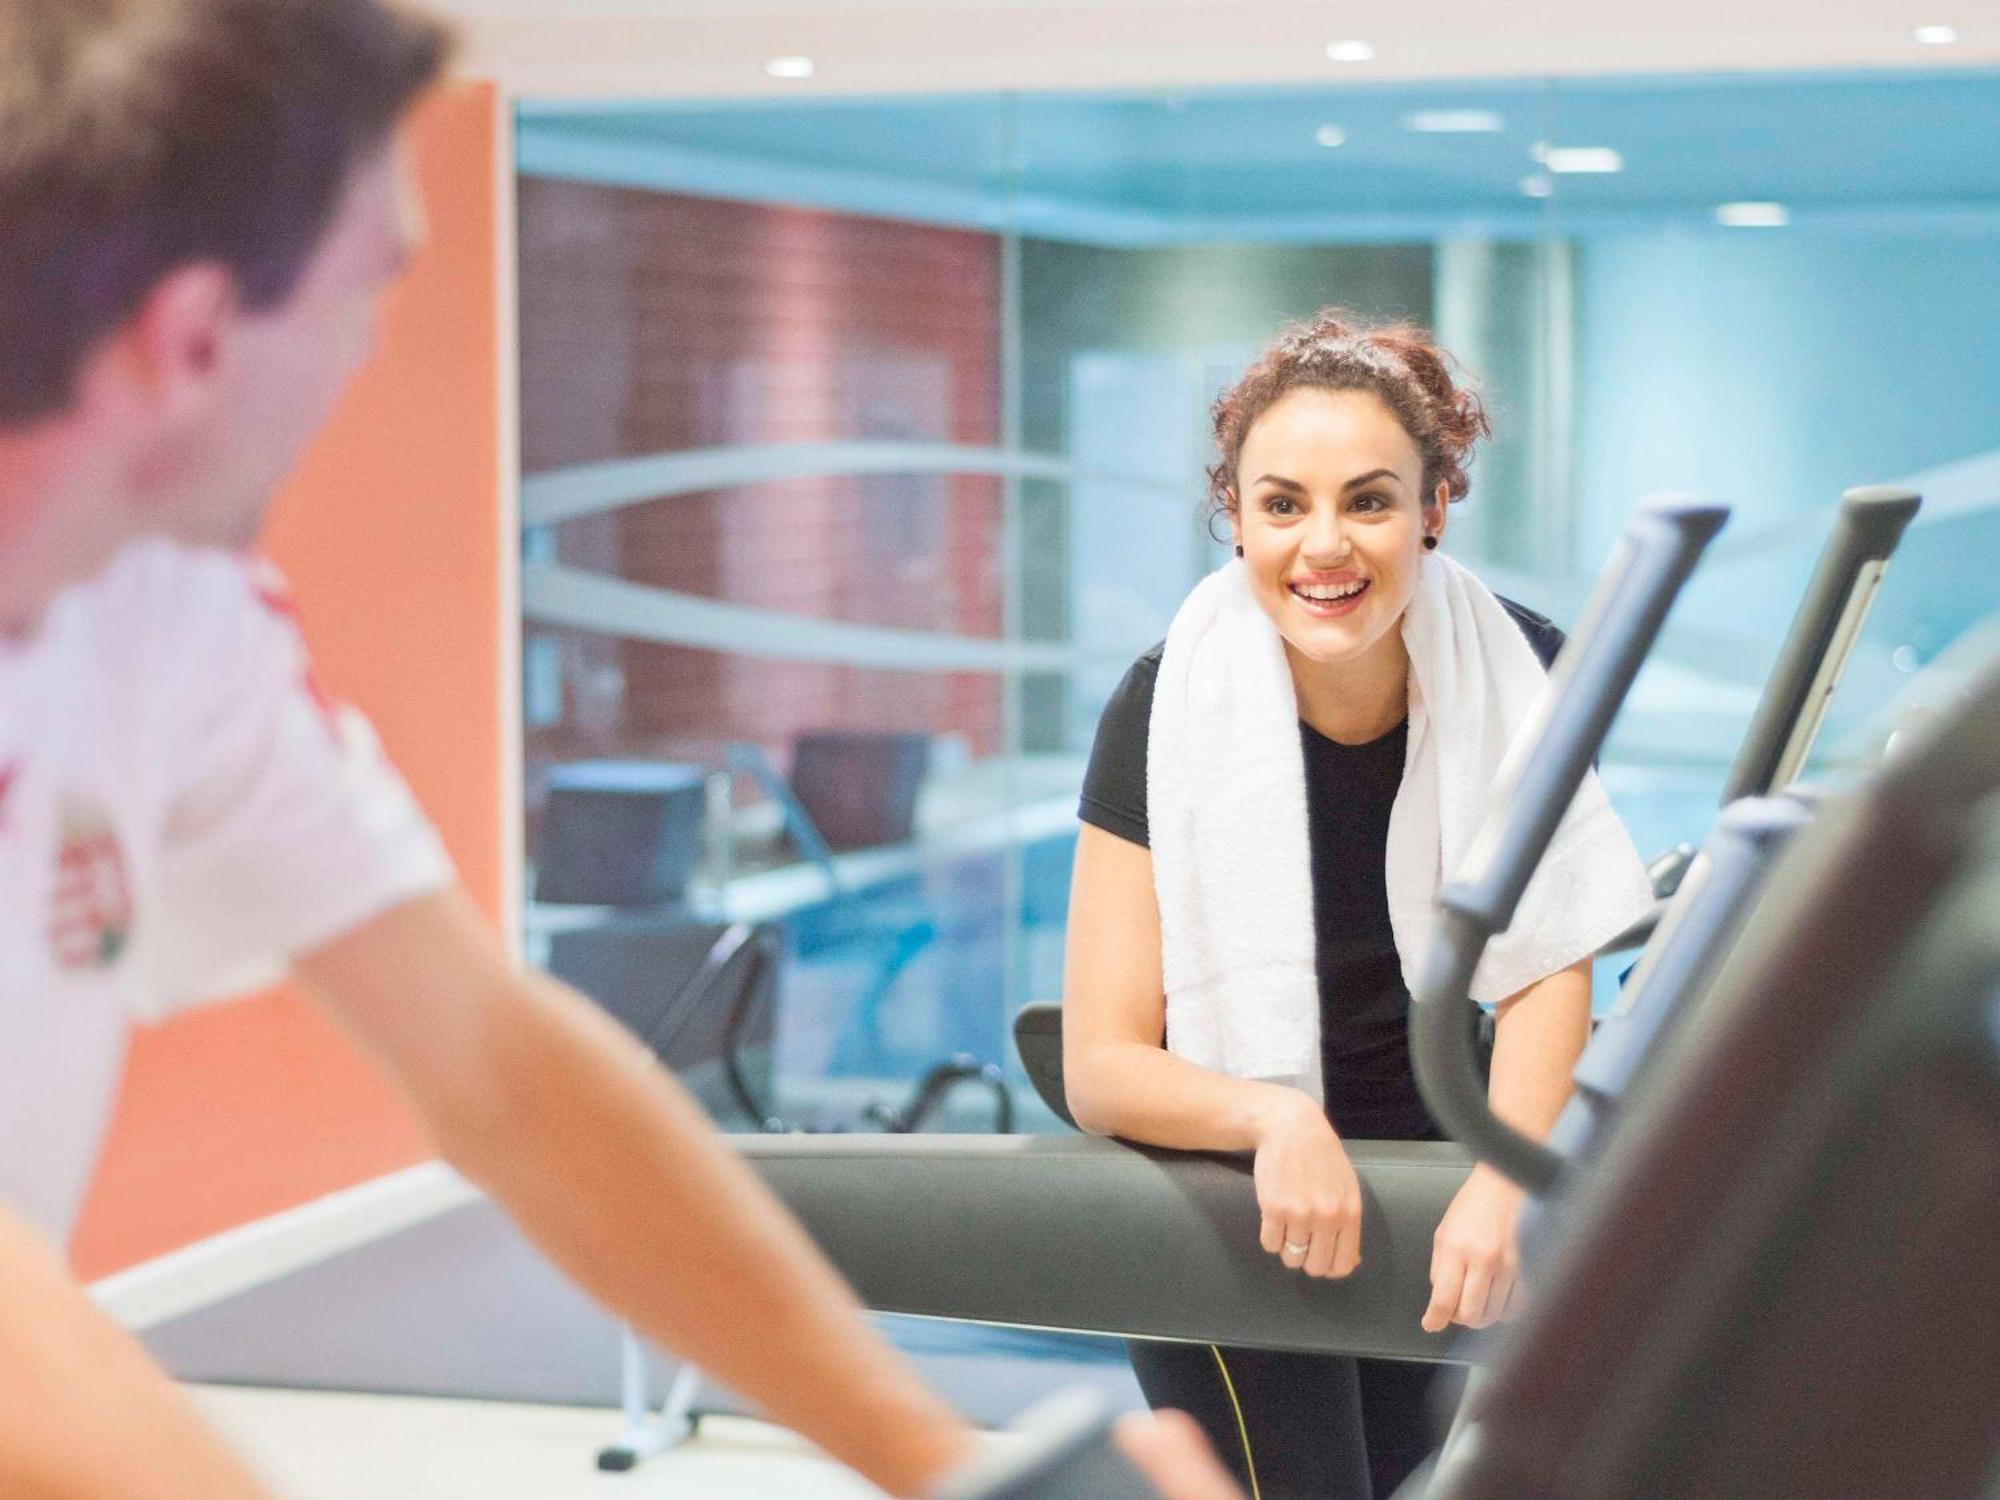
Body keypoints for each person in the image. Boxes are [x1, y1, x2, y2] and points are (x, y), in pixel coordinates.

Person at [0, 2, 1246, 1496]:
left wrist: (939, 1464)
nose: (371, 354)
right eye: (365, 296)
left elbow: (501, 1066)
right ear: (194, 338)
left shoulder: (159, 601)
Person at [1061, 311, 1654, 1499]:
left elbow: (1547, 958)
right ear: (1235, 515)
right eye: (1281, 504)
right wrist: (1276, 1122)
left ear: (1434, 507)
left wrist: (1503, 1181)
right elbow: (1101, 1065)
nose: (1322, 545)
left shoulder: (1515, 667)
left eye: (1368, 501)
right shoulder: (1164, 704)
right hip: (1226, 1196)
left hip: (1429, 1184)